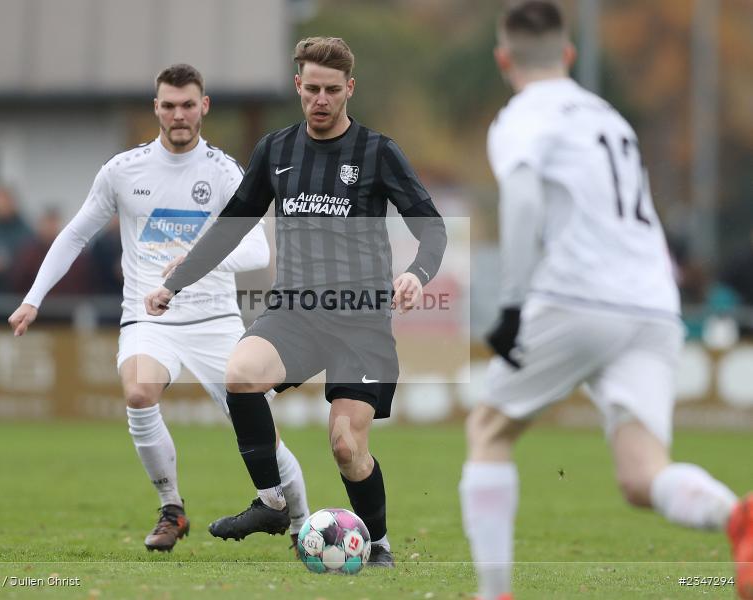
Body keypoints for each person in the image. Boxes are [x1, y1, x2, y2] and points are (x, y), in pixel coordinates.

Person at [460, 3, 752, 599]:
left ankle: (494, 594)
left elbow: (519, 198)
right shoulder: (608, 116)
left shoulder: (523, 115)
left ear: (502, 59)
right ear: (568, 55)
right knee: (643, 475)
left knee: (489, 429)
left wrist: (513, 305)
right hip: (653, 306)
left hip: (578, 295)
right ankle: (739, 520)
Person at [144, 37, 447, 567]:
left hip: (361, 321)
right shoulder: (276, 150)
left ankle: (376, 545)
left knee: (346, 447)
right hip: (295, 311)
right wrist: (178, 280)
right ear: (298, 87)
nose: (321, 99)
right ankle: (271, 502)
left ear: (349, 88)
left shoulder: (377, 152)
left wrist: (417, 274)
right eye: (312, 89)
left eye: (332, 90)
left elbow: (433, 230)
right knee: (240, 372)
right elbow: (232, 224)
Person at [7, 64, 311, 553]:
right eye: (168, 105)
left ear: (204, 106)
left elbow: (257, 252)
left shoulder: (225, 172)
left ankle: (301, 522)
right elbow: (76, 234)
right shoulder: (123, 171)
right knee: (140, 391)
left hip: (215, 319)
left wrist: (196, 259)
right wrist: (32, 299)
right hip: (150, 318)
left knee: (258, 431)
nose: (178, 115)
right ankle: (172, 509)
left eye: (188, 105)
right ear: (156, 109)